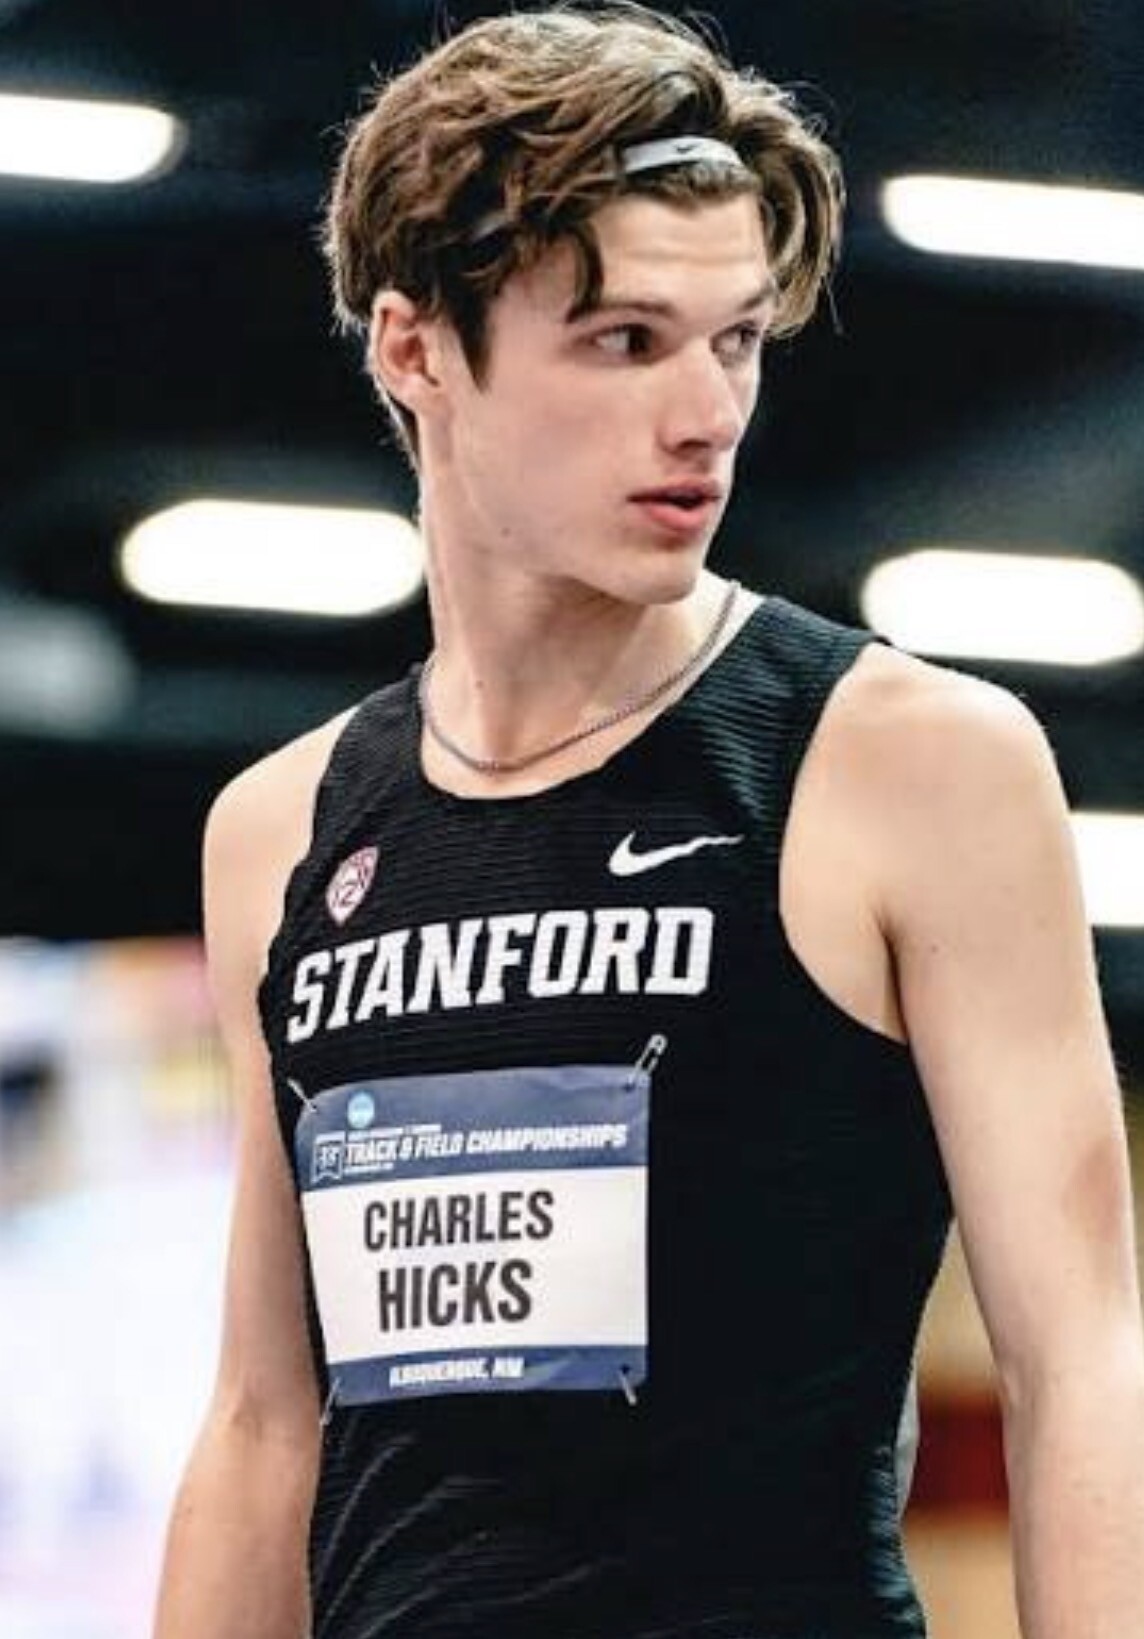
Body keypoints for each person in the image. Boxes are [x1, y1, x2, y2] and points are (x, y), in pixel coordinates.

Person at [151, 6, 1144, 1637]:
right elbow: (266, 1423)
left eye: (735, 340)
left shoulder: (909, 765)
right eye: (624, 341)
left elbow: (1079, 1358)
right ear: (416, 350)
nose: (705, 415)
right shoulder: (282, 829)